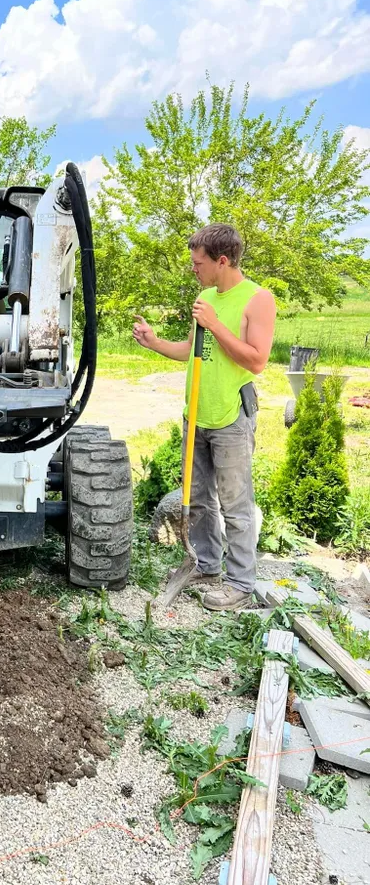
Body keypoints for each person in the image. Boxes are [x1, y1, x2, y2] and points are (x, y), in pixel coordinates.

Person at [132, 223, 276, 610]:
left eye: (199, 263)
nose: (194, 269)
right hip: (196, 414)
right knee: (198, 499)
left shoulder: (257, 300)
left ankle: (241, 584)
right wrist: (154, 342)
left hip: (231, 416)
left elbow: (256, 360)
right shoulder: (205, 297)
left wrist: (214, 323)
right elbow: (193, 350)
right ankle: (207, 564)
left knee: (236, 504)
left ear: (222, 261)